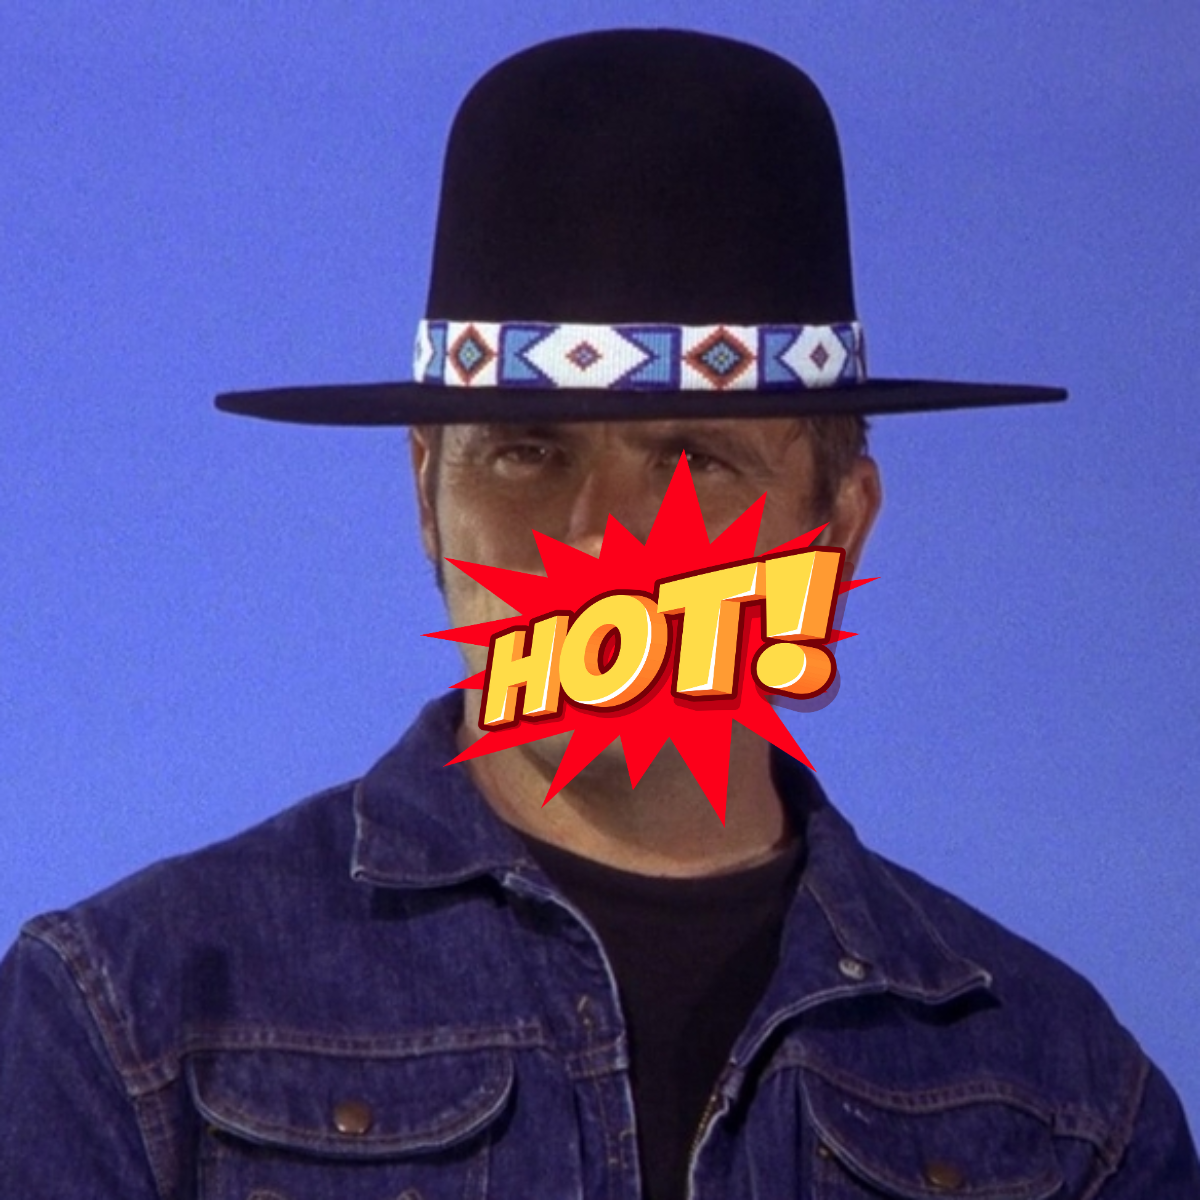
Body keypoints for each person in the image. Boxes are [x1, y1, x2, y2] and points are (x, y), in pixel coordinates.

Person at [0, 28, 1195, 1199]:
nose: (599, 540)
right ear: (426, 494)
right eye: (527, 452)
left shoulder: (1072, 1106)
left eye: (695, 461)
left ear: (838, 528)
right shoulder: (129, 1023)